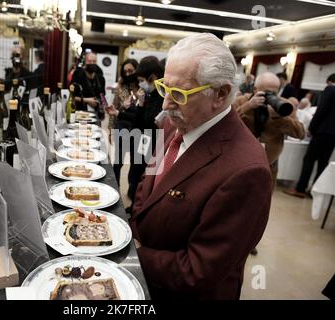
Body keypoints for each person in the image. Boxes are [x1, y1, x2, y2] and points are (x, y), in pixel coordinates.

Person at [130, 33, 272, 300]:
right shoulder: (177, 120)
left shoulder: (247, 171)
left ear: (220, 94)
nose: (165, 103)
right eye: (164, 88)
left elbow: (199, 271)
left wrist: (135, 253)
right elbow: (147, 185)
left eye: (179, 94)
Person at [107, 56, 164, 203]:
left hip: (150, 145)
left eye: (142, 80)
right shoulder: (146, 94)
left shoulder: (162, 97)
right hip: (139, 139)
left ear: (152, 77)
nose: (140, 84)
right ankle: (131, 206)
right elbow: (138, 121)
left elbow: (150, 123)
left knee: (143, 181)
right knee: (134, 175)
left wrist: (140, 105)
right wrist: (140, 105)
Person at [235, 72, 305, 182]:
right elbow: (224, 124)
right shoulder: (241, 101)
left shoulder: (284, 105)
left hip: (268, 165)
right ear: (255, 89)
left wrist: (281, 118)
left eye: (274, 93)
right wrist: (247, 107)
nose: (270, 96)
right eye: (267, 92)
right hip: (239, 162)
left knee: (262, 198)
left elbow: (300, 133)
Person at [283, 73, 335, 198]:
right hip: (333, 135)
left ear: (329, 81)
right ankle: (316, 191)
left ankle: (300, 188)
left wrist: (311, 128)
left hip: (322, 131)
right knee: (323, 162)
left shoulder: (330, 89)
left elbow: (321, 110)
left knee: (309, 160)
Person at [106, 58, 139, 186]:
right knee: (118, 161)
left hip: (137, 128)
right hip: (122, 126)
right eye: (125, 71)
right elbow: (113, 109)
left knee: (136, 161)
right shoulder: (120, 87)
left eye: (130, 70)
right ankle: (115, 187)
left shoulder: (142, 87)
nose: (128, 74)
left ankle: (132, 189)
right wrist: (110, 130)